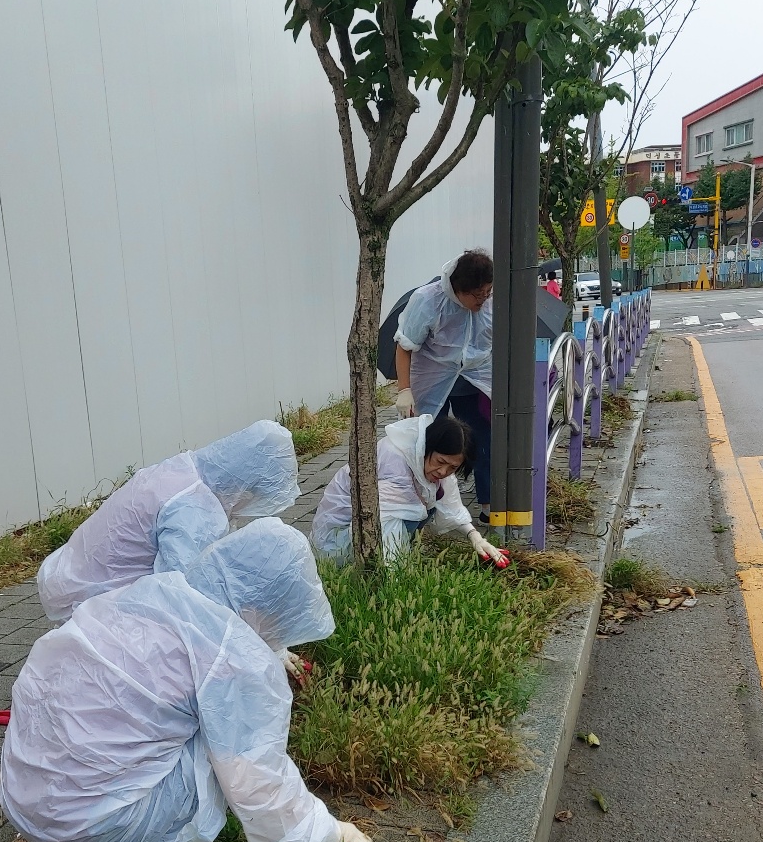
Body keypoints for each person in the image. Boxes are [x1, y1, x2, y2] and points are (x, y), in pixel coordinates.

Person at [0, 520, 372, 842]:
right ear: (271, 605)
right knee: (219, 738)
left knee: (178, 722)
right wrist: (328, 831)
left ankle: (121, 835)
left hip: (28, 804)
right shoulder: (234, 659)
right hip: (90, 830)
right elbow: (255, 777)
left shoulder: (146, 596)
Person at [36, 421, 300, 624]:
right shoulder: (192, 509)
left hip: (71, 572)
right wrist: (262, 644)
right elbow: (184, 595)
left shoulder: (185, 470)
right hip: (88, 597)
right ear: (246, 484)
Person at [311, 413, 508, 566]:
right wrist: (396, 577)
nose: (443, 471)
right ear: (427, 447)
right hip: (338, 541)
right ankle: (369, 567)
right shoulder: (395, 463)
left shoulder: (426, 460)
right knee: (413, 509)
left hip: (368, 528)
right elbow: (385, 522)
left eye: (453, 468)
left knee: (427, 502)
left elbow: (451, 505)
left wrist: (475, 537)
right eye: (441, 462)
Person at [394, 250, 494, 521]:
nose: (482, 299)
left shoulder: (491, 302)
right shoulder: (428, 300)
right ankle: (424, 506)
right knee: (425, 443)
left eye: (487, 291)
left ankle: (488, 504)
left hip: (475, 381)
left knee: (484, 440)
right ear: (457, 289)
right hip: (431, 379)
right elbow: (405, 346)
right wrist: (405, 390)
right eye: (476, 294)